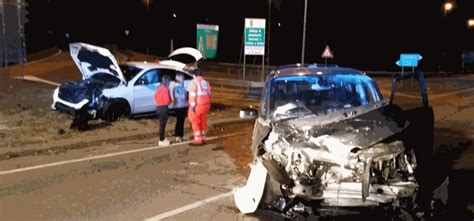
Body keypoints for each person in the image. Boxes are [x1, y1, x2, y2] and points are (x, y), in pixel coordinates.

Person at [188, 68, 211, 146]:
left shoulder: (194, 82)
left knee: (195, 121)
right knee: (203, 121)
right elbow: (209, 94)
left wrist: (192, 106)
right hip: (206, 105)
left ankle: (198, 140)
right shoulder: (205, 83)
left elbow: (192, 95)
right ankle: (203, 137)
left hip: (198, 105)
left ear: (194, 75)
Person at [154, 75, 172, 146]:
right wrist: (170, 101)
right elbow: (167, 100)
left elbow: (155, 97)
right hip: (163, 108)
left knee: (161, 125)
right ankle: (161, 140)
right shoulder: (166, 89)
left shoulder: (159, 88)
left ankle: (162, 139)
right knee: (162, 125)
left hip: (158, 107)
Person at [171, 73, 188, 142]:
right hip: (181, 106)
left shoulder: (177, 87)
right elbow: (185, 97)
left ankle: (179, 135)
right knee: (180, 121)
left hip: (179, 106)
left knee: (180, 121)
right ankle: (179, 135)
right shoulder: (179, 88)